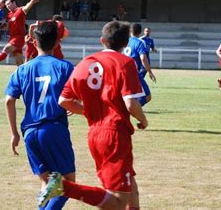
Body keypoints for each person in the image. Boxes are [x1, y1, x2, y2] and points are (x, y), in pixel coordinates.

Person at [39, 21, 149, 210]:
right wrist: (143, 119)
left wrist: (90, 113)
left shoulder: (85, 63)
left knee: (131, 193)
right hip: (114, 134)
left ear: (102, 40)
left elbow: (64, 101)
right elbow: (131, 103)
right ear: (125, 44)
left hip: (95, 133)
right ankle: (64, 187)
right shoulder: (125, 63)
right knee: (117, 202)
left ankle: (63, 186)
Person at [5, 21, 76, 210]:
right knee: (68, 183)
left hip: (29, 132)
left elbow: (9, 101)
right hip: (53, 128)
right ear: (57, 43)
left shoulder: (22, 69)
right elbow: (75, 96)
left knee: (47, 184)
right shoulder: (65, 67)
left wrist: (14, 134)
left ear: (34, 42)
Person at [0, 0, 40, 67]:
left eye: (8, 4)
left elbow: (27, 7)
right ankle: (24, 75)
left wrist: (32, 1)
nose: (7, 6)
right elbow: (6, 26)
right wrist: (1, 27)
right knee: (19, 63)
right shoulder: (9, 15)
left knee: (7, 49)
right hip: (12, 37)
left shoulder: (20, 10)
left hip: (18, 37)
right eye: (6, 6)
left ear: (14, 3)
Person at [123, 23, 156, 106]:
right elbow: (143, 58)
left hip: (123, 71)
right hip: (133, 72)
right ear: (141, 32)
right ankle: (131, 109)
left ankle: (129, 108)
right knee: (147, 96)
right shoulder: (140, 42)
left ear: (130, 31)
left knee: (131, 95)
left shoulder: (126, 41)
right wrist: (150, 72)